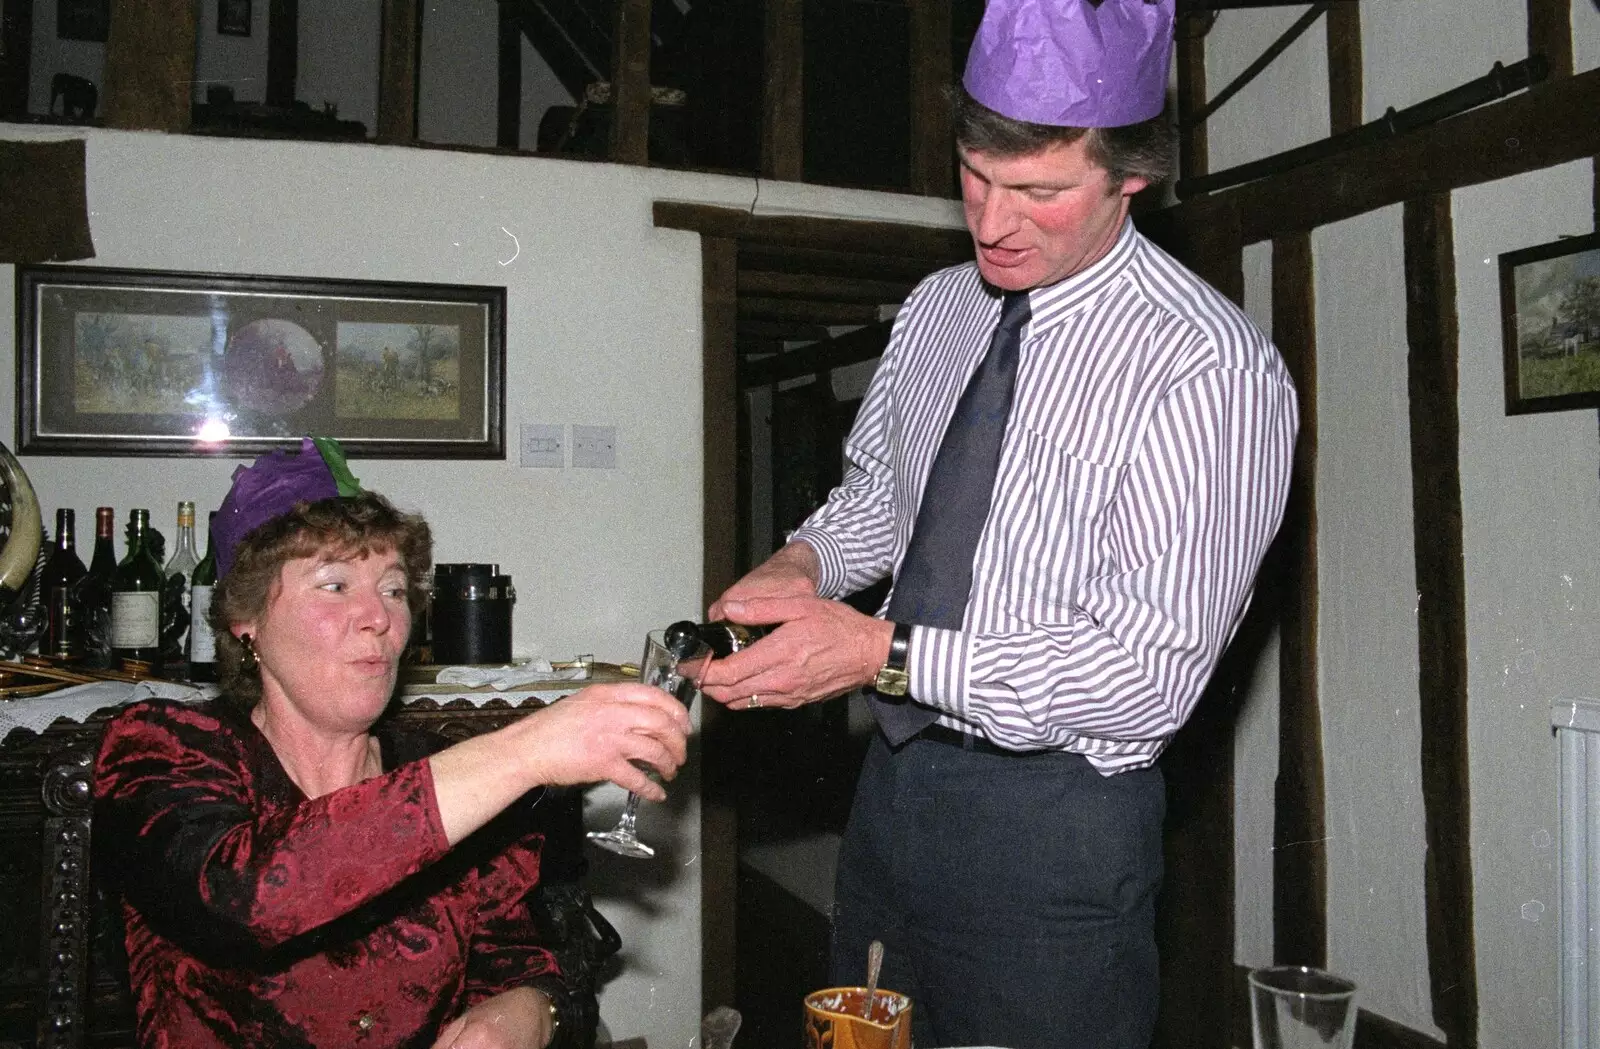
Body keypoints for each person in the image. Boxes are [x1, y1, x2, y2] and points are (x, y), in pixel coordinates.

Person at [697, 2, 1299, 1047]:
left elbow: (1144, 678)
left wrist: (881, 651)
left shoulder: (1206, 369)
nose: (991, 222)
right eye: (975, 175)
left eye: (1039, 191)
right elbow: (881, 501)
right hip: (891, 795)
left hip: (1054, 832)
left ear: (1130, 178)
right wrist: (802, 564)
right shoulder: (940, 306)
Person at [94, 438, 692, 1049]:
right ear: (247, 624)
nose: (378, 617)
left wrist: (529, 1011)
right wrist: (521, 750)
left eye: (393, 588)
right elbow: (242, 896)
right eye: (334, 586)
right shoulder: (162, 747)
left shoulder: (438, 769)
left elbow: (534, 959)